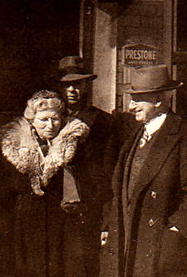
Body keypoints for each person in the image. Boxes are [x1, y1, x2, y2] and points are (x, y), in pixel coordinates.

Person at [101, 65, 187, 277]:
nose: (131, 106)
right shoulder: (135, 135)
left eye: (138, 100)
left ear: (158, 101)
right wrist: (110, 225)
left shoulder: (183, 135)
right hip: (128, 241)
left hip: (159, 247)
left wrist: (176, 230)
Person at [0, 90, 92, 277]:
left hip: (61, 220)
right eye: (44, 120)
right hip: (26, 220)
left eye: (55, 119)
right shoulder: (14, 146)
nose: (50, 125)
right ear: (32, 121)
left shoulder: (71, 143)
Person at [54, 56, 126, 277]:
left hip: (87, 208)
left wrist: (106, 215)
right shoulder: (50, 121)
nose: (73, 90)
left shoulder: (103, 123)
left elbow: (110, 172)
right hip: (54, 208)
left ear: (87, 85)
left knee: (84, 266)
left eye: (78, 83)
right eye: (67, 84)